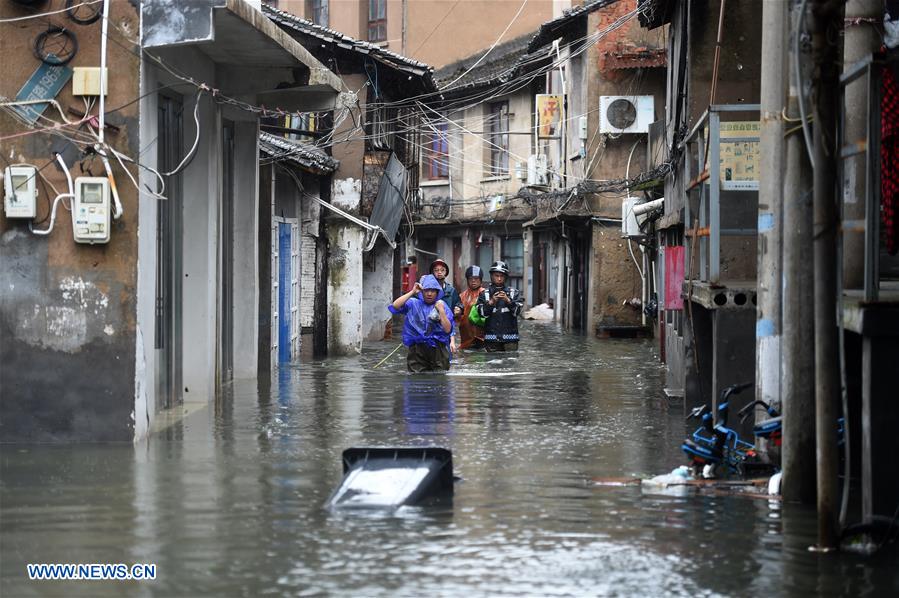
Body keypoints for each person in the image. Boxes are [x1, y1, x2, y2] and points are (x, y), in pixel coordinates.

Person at [388, 274, 454, 372]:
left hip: (437, 347)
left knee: (440, 377)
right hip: (417, 347)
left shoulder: (441, 305)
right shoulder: (413, 303)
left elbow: (448, 329)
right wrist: (412, 292)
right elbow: (395, 306)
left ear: (437, 292)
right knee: (416, 377)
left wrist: (441, 311)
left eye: (432, 291)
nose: (429, 294)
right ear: (422, 292)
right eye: (426, 290)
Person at [476, 260, 523, 352]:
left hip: (510, 339)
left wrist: (508, 301)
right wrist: (491, 302)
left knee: (510, 364)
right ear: (491, 276)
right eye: (496, 276)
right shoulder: (484, 294)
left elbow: (517, 312)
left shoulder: (514, 293)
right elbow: (481, 314)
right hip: (491, 339)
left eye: (501, 276)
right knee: (492, 364)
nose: (499, 279)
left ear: (505, 277)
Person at [429, 258, 462, 352]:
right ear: (432, 273)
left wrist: (459, 308)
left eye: (442, 270)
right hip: (430, 329)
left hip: (446, 328)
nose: (439, 272)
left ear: (446, 272)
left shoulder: (451, 290)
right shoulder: (427, 290)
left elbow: (459, 303)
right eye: (436, 270)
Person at [458, 265, 487, 350]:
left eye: (476, 278)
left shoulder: (486, 294)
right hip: (466, 338)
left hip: (482, 338)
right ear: (467, 280)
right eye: (471, 279)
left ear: (480, 280)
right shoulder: (462, 296)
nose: (473, 281)